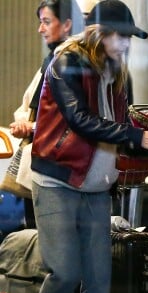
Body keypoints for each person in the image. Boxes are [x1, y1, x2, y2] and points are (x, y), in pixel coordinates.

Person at [30, 1, 148, 293]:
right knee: (65, 273)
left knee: (99, 281)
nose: (127, 44)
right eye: (121, 36)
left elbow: (121, 126)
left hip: (98, 186)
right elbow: (81, 121)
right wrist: (137, 137)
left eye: (129, 38)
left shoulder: (118, 74)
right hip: (58, 181)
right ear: (99, 33)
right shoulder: (66, 62)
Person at [8, 0, 84, 229]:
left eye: (46, 22)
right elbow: (31, 104)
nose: (40, 29)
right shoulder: (54, 59)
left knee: (51, 240)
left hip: (58, 169)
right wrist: (25, 122)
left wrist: (30, 127)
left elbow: (72, 118)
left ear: (67, 24)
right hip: (43, 162)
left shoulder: (72, 62)